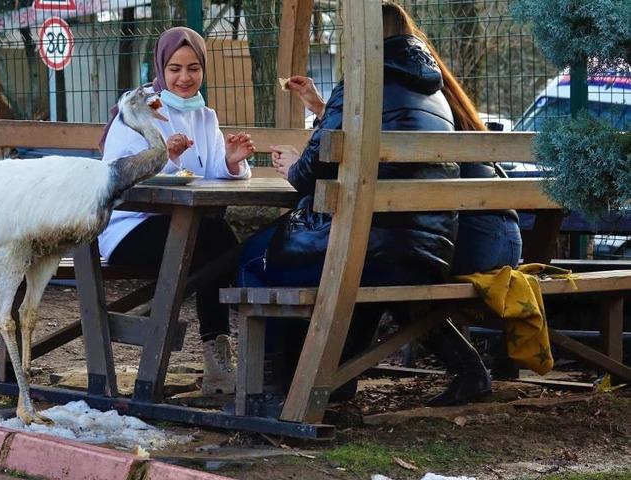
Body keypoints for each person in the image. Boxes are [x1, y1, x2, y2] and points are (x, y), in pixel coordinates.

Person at [239, 0, 495, 407]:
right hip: (428, 250)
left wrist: (291, 166)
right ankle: (332, 383)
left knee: (254, 259)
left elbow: (311, 171)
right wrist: (324, 111)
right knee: (338, 255)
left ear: (363, 38)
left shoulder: (360, 80)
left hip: (371, 248)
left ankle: (269, 392)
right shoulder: (435, 90)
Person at [99, 27, 256, 395]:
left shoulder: (205, 116)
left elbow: (213, 167)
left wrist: (232, 162)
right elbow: (117, 171)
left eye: (193, 68)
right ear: (160, 68)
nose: (184, 78)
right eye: (174, 69)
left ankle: (221, 357)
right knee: (220, 246)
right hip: (129, 226)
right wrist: (164, 156)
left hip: (183, 224)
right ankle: (223, 353)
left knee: (217, 246)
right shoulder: (139, 110)